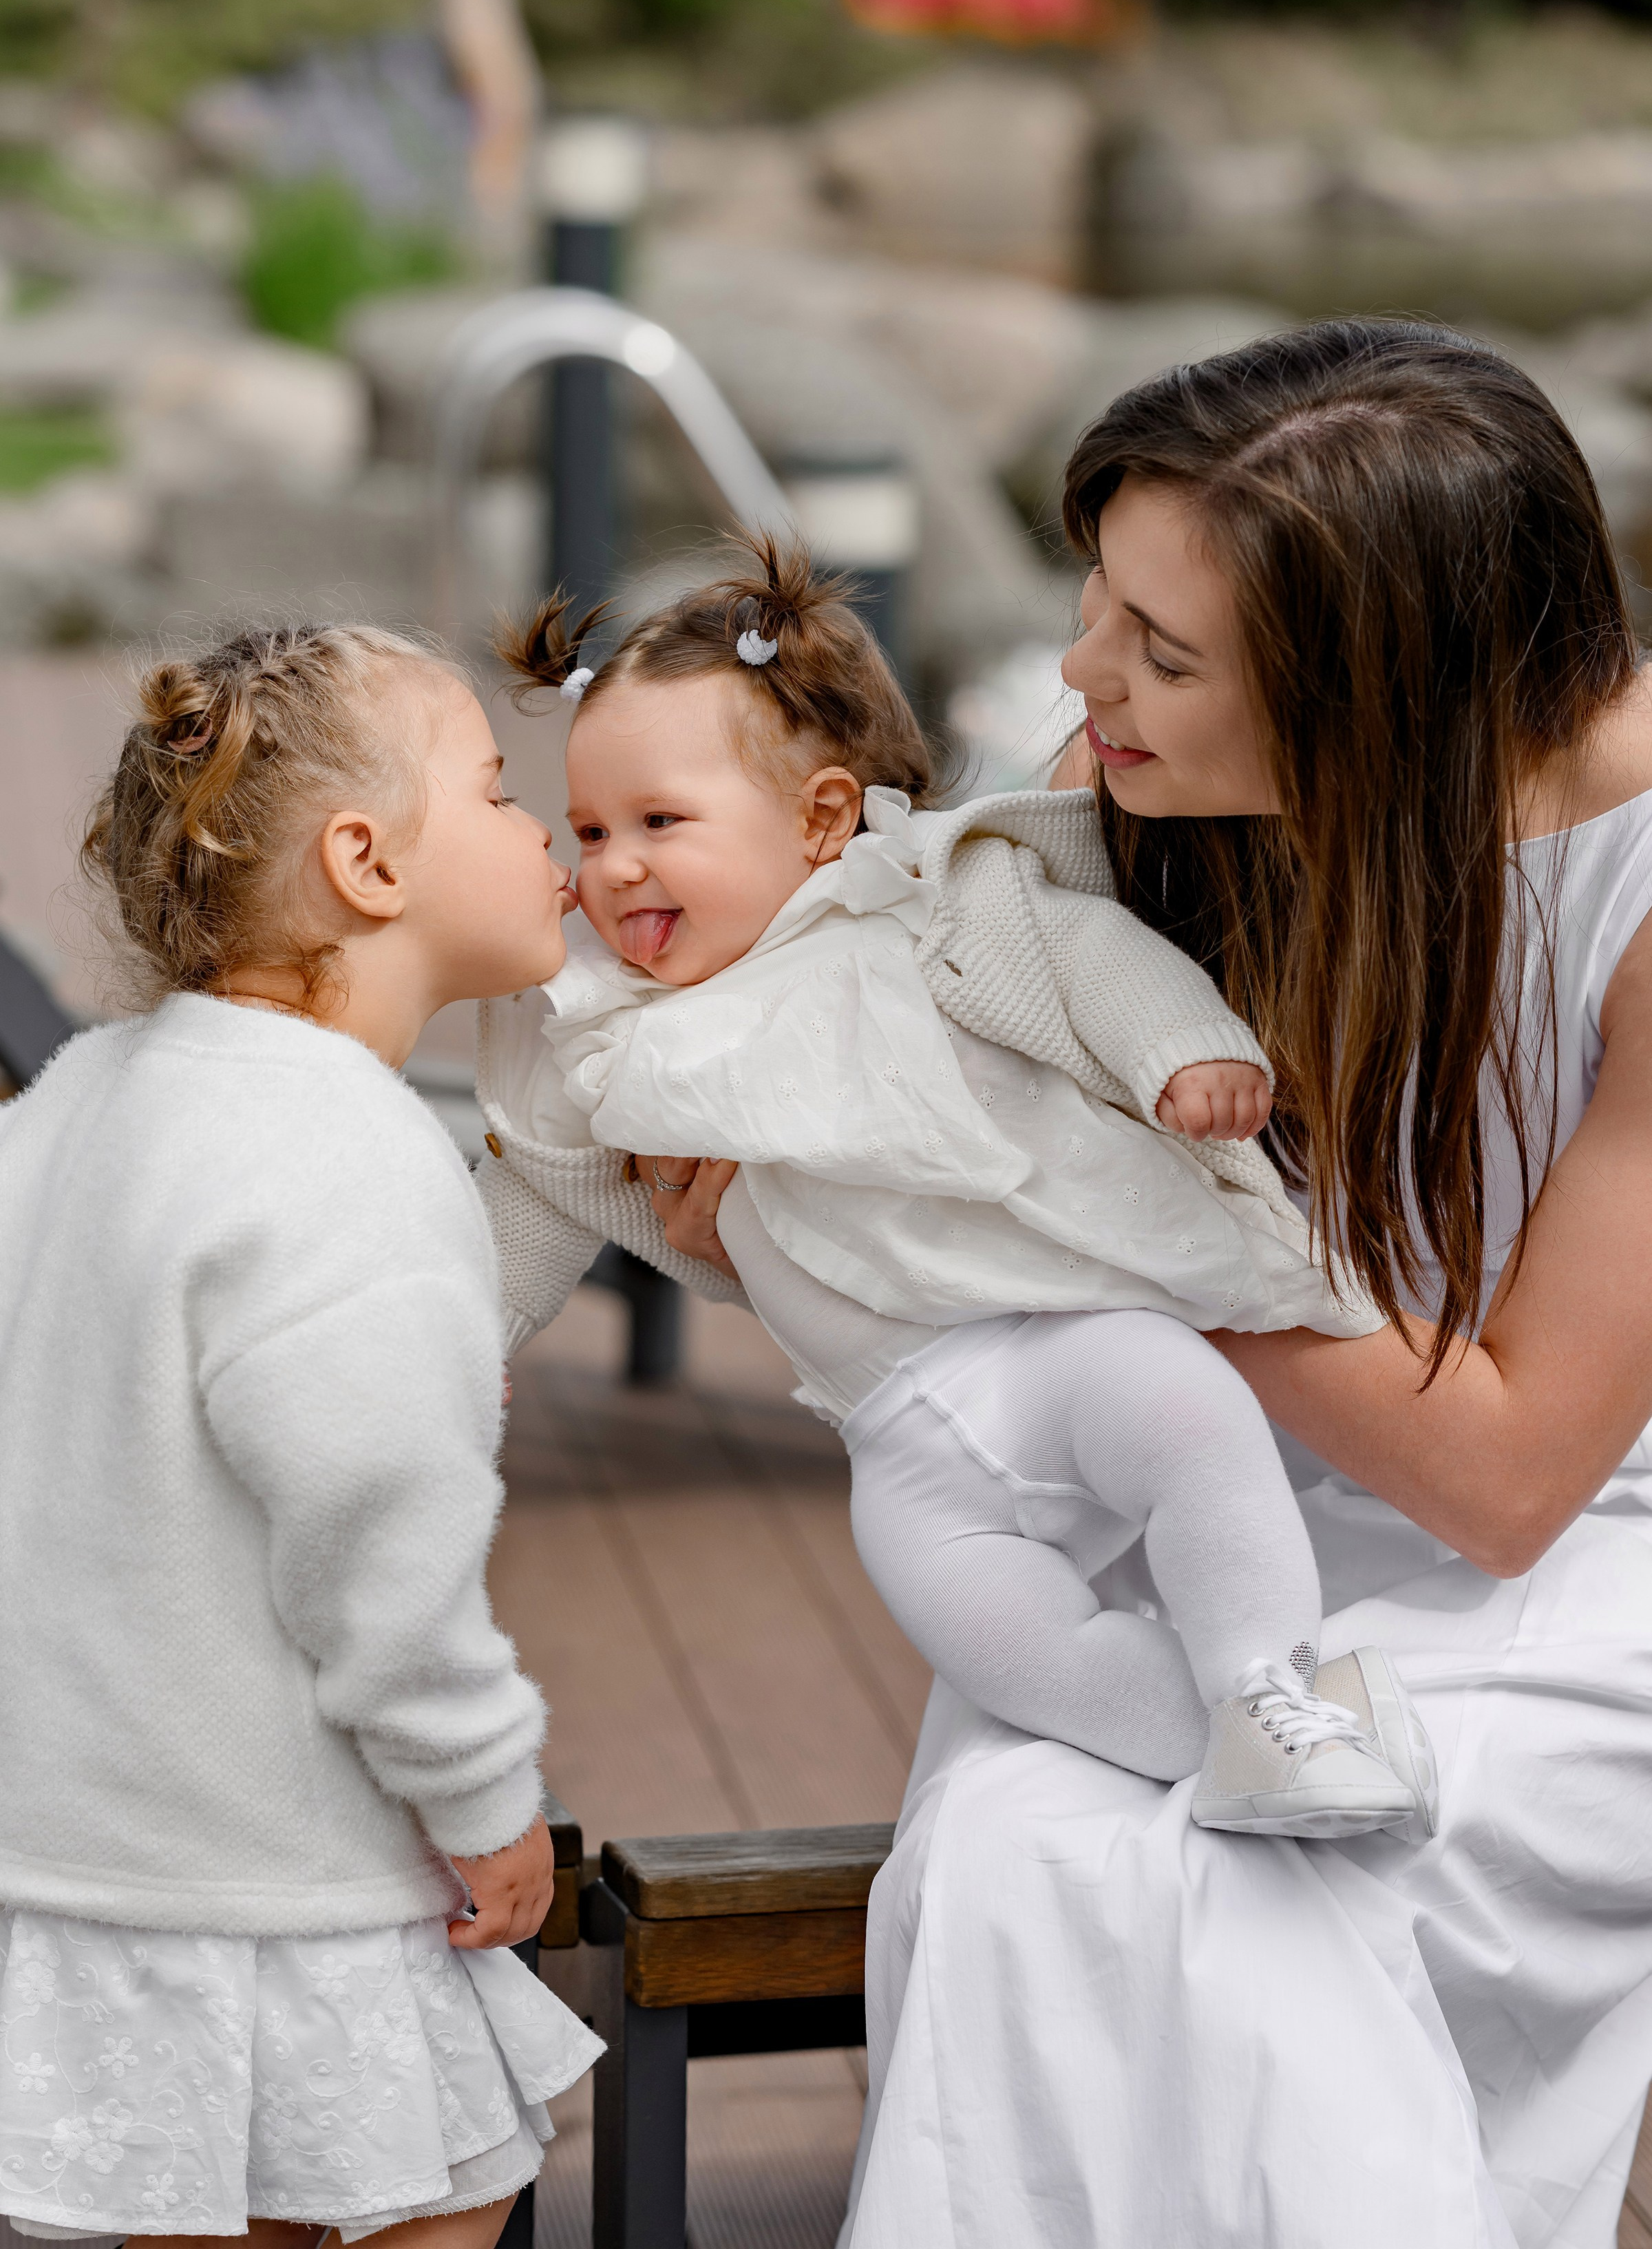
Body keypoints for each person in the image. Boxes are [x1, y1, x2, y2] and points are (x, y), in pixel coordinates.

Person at [647, 320, 1652, 2248]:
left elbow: (1515, 1478)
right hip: (1219, 1502)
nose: (1084, 681)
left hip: (1578, 1568)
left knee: (1256, 1875)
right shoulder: (1165, 796)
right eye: (1097, 605)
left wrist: (1066, 1209)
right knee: (1027, 1856)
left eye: (1163, 657)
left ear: (1388, 701)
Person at [475, 542, 1433, 1841]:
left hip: (1058, 1342)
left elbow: (1090, 957)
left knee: (1193, 1426)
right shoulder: (611, 1038)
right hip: (901, 1449)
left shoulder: (921, 905)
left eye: (660, 824)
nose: (615, 868)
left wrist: (1186, 1053)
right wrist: (459, 1341)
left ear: (820, 817)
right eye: (591, 833)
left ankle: (1268, 1679)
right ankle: (1222, 1744)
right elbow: (534, 1198)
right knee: (1013, 1655)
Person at [0, 624, 600, 2249]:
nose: (540, 823)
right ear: (366, 861)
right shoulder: (348, 1151)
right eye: (492, 788)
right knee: (439, 2211)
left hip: (79, 1866)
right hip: (286, 1880)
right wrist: (485, 1799)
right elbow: (378, 1545)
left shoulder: (70, 1101)